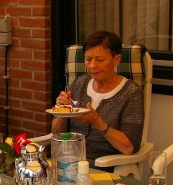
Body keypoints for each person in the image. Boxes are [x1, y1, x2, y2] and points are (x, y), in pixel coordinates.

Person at [52, 30, 144, 164]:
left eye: (100, 60)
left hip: (105, 165)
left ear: (116, 59)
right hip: (69, 161)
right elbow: (56, 133)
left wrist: (97, 122)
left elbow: (128, 147)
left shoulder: (131, 92)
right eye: (88, 59)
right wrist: (62, 111)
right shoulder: (79, 83)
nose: (92, 66)